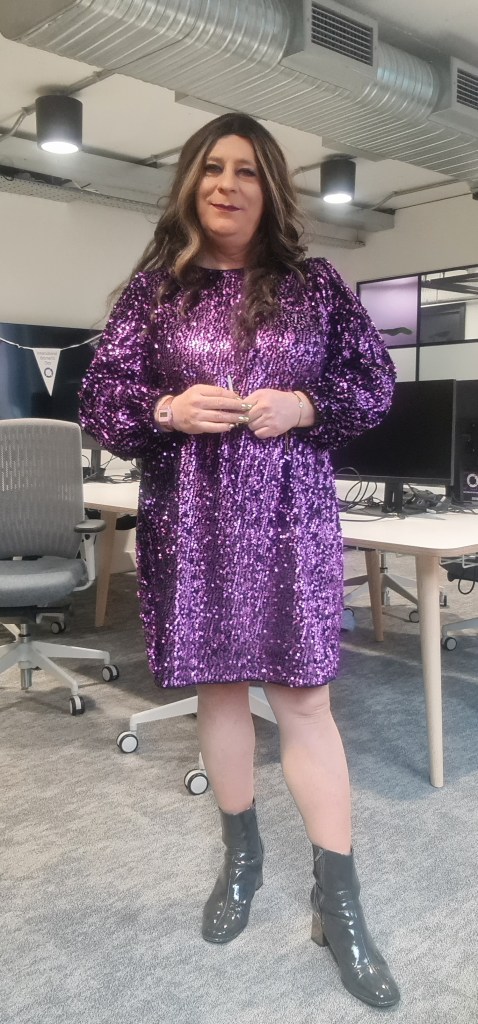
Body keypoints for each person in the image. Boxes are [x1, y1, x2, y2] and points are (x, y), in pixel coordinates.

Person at [80, 112, 400, 1009]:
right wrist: (167, 411)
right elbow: (101, 401)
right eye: (213, 168)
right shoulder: (155, 292)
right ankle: (242, 856)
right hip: (191, 517)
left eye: (248, 170)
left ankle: (339, 901)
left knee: (305, 703)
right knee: (221, 693)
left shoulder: (316, 285)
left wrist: (305, 406)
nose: (227, 184)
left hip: (291, 518)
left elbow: (374, 385)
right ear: (191, 182)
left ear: (271, 189)